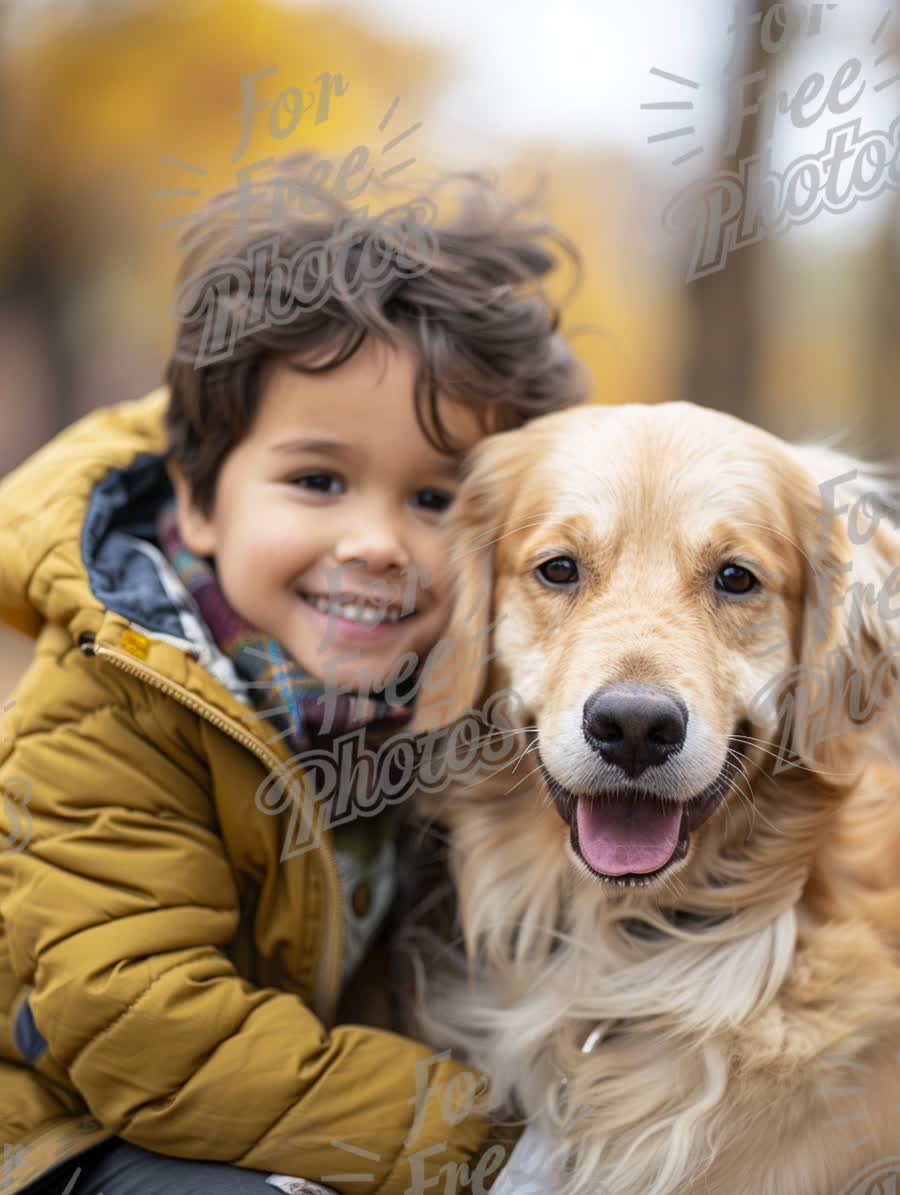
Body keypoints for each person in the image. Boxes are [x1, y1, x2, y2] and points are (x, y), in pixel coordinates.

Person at [0, 153, 588, 1194]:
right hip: (70, 1121)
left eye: (438, 500)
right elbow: (144, 1033)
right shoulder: (112, 707)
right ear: (198, 502)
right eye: (318, 480)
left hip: (299, 1090)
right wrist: (483, 1140)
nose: (375, 542)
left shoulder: (459, 691)